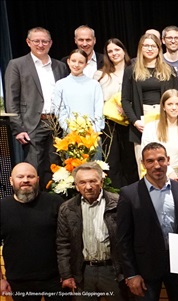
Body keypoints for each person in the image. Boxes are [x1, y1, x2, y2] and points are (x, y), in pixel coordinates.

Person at [116, 143, 178, 301]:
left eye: (161, 159)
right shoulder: (129, 194)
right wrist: (131, 273)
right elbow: (123, 239)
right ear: (143, 163)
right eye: (150, 161)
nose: (157, 165)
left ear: (168, 160)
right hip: (145, 269)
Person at [4, 27, 69, 186]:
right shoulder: (17, 65)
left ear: (50, 43)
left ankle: (54, 204)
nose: (41, 44)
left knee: (57, 168)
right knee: (33, 167)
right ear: (28, 42)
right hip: (32, 124)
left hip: (56, 124)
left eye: (44, 41)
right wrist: (18, 128)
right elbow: (12, 99)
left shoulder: (60, 66)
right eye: (36, 41)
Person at [55, 162, 124, 301]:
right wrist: (66, 274)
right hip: (83, 272)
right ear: (76, 185)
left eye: (93, 181)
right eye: (82, 182)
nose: (88, 187)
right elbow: (63, 244)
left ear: (102, 182)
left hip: (114, 271)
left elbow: (129, 239)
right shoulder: (67, 209)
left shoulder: (119, 203)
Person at [0, 163, 67, 301]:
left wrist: (68, 273)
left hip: (56, 279)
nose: (25, 180)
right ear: (11, 181)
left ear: (37, 179)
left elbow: (68, 240)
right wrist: (0, 279)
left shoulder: (55, 202)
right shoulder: (2, 207)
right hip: (19, 281)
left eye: (30, 176)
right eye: (20, 176)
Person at [121, 33, 178, 167]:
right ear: (140, 48)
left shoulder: (169, 70)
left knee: (165, 161)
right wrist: (135, 122)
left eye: (153, 46)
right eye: (146, 45)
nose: (149, 49)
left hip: (164, 117)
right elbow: (125, 100)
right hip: (141, 120)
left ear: (159, 48)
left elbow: (176, 96)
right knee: (145, 164)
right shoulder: (131, 71)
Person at [95, 38, 139, 187]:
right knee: (112, 161)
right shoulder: (100, 75)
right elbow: (97, 100)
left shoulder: (135, 70)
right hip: (110, 124)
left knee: (131, 160)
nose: (114, 53)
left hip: (131, 121)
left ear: (124, 51)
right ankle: (115, 195)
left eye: (117, 49)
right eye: (110, 51)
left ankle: (134, 193)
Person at [54, 49, 105, 132]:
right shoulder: (60, 85)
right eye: (73, 61)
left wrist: (95, 129)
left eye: (81, 62)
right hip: (70, 134)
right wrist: (69, 129)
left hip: (92, 134)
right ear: (68, 61)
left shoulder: (94, 84)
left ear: (86, 64)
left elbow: (99, 108)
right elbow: (59, 110)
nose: (76, 65)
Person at [141, 90, 178, 181]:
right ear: (163, 107)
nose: (174, 107)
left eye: (177, 104)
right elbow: (149, 155)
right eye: (170, 104)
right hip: (157, 172)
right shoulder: (151, 128)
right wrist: (169, 173)